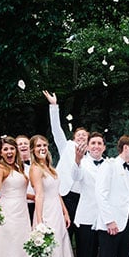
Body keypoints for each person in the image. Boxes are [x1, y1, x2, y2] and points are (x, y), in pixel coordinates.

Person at [30, 135, 83, 257]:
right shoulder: (36, 169)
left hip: (58, 213)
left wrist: (65, 212)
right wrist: (40, 221)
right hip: (46, 213)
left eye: (44, 145)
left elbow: (57, 193)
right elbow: (39, 195)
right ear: (33, 150)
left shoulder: (50, 168)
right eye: (38, 146)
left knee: (63, 255)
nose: (42, 148)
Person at [71, 132, 107, 257]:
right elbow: (75, 177)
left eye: (99, 143)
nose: (96, 146)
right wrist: (77, 160)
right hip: (86, 218)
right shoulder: (82, 163)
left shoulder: (110, 164)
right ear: (88, 146)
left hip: (106, 219)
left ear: (104, 147)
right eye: (93, 143)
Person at [43, 90, 90, 225]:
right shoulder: (67, 147)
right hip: (64, 193)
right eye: (78, 135)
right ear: (74, 138)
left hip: (82, 197)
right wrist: (54, 106)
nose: (81, 136)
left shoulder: (92, 155)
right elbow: (56, 130)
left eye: (84, 135)